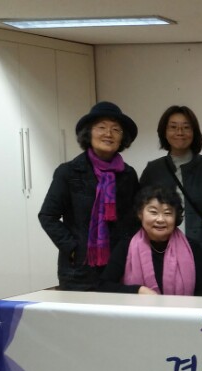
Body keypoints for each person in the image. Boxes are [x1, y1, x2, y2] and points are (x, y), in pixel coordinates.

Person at [39, 102, 140, 291]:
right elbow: (47, 216)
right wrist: (73, 248)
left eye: (115, 129)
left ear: (122, 137)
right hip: (79, 270)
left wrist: (127, 247)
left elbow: (135, 218)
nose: (108, 134)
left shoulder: (128, 174)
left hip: (119, 267)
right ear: (89, 133)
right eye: (101, 127)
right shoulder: (69, 172)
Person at [98, 184, 202, 296]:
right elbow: (103, 286)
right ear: (140, 214)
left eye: (167, 213)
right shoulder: (126, 247)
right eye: (153, 212)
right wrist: (138, 291)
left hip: (182, 308)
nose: (160, 219)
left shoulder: (192, 248)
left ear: (176, 217)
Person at [140, 105, 202, 261]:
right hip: (163, 250)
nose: (179, 132)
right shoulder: (153, 170)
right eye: (173, 127)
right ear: (164, 132)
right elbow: (141, 210)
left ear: (194, 132)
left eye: (186, 127)